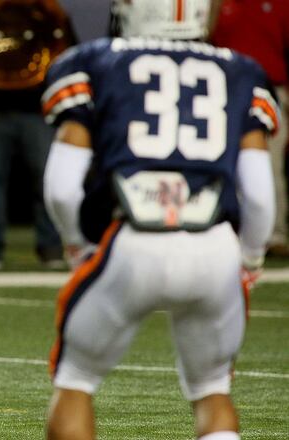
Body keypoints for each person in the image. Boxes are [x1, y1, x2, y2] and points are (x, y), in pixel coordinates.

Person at [42, 1, 277, 439]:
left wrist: (78, 243)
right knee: (212, 389)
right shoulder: (242, 72)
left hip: (133, 239)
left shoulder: (95, 62)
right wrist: (249, 257)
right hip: (215, 247)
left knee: (76, 379)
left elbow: (61, 185)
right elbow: (260, 194)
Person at [0, 0, 75, 271]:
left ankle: (52, 248)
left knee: (46, 184)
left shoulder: (46, 9)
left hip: (36, 111)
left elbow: (65, 50)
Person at [210, 0, 289, 257]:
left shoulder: (280, 4)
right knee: (216, 161)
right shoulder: (217, 4)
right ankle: (216, 227)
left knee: (267, 164)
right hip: (219, 91)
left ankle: (272, 235)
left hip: (270, 90)